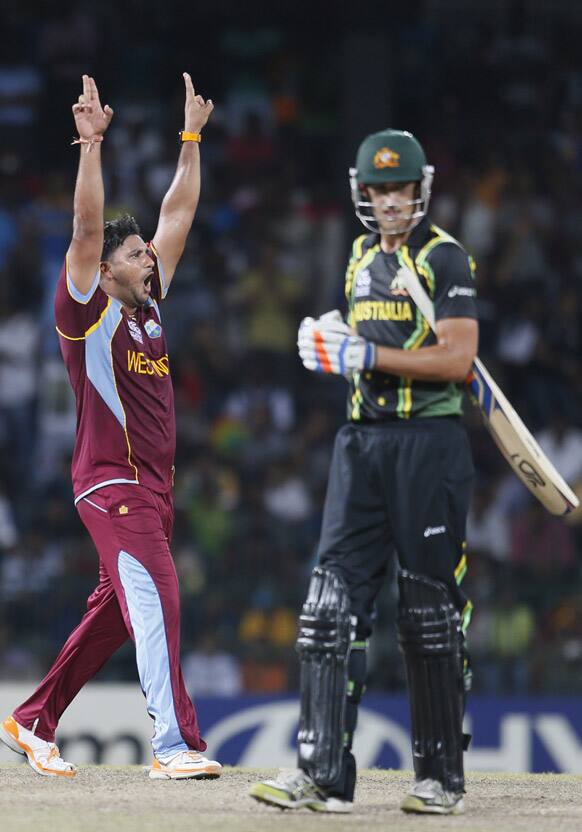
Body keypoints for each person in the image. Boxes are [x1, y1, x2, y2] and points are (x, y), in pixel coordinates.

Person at [249, 129, 478, 815]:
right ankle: (321, 774)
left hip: (429, 444)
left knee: (428, 612)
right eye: (378, 190)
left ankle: (441, 779)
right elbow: (358, 348)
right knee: (328, 608)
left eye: (400, 188)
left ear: (420, 190)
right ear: (362, 194)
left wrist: (364, 357)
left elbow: (458, 361)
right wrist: (330, 346)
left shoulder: (445, 258)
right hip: (362, 444)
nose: (390, 201)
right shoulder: (355, 258)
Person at [0, 74, 221, 782]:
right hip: (110, 483)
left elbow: (179, 213)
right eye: (135, 255)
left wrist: (190, 139)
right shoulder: (86, 310)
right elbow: (87, 230)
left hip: (153, 491)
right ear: (105, 269)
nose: (148, 258)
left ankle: (31, 719)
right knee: (158, 591)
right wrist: (91, 147)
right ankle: (175, 745)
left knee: (117, 613)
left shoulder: (150, 309)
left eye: (147, 255)